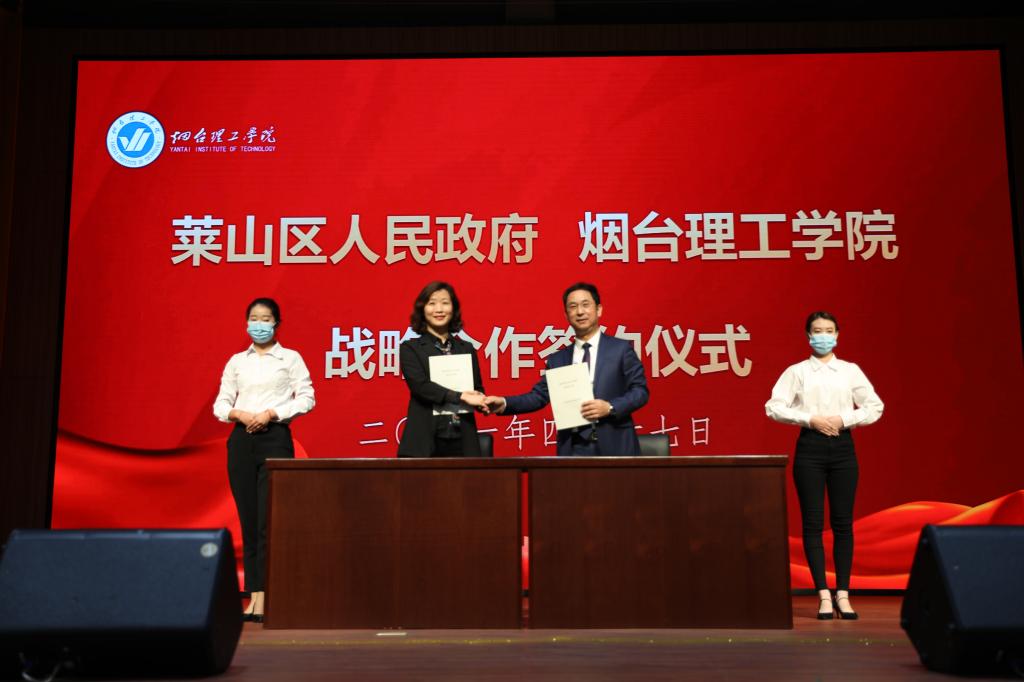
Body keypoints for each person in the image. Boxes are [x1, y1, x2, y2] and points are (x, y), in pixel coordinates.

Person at [765, 311, 883, 620]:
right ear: (808, 335)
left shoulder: (850, 371)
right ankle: (823, 594)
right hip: (810, 448)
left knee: (843, 523)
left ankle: (843, 593)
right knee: (813, 523)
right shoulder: (797, 372)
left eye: (829, 331)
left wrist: (844, 419)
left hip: (843, 447)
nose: (823, 336)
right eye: (817, 331)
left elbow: (874, 406)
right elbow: (773, 407)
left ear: (837, 335)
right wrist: (810, 419)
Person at [213, 298, 315, 623]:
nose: (259, 324)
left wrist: (272, 413)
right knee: (248, 518)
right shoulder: (236, 361)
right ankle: (253, 595)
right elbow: (220, 403)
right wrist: (239, 413)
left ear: (276, 324)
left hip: (275, 438)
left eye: (266, 319)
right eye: (254, 318)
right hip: (242, 440)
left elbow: (307, 398)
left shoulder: (290, 358)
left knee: (267, 521)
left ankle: (268, 594)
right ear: (247, 323)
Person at [483, 282, 649, 456]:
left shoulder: (621, 350)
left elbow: (640, 391)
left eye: (585, 304)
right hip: (572, 448)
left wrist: (610, 407)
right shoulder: (557, 360)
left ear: (599, 310)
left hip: (615, 444)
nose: (580, 312)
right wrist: (504, 403)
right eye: (573, 306)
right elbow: (538, 397)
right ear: (566, 315)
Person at [398, 281, 489, 457]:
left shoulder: (466, 348)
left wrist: (482, 401)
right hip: (425, 439)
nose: (439, 309)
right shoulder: (410, 348)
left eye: (445, 303)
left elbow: (476, 387)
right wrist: (461, 396)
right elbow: (421, 387)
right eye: (432, 303)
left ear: (453, 309)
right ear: (422, 309)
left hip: (462, 437)